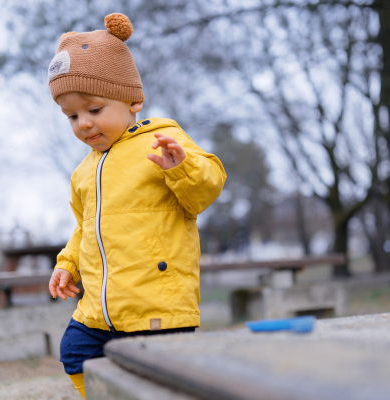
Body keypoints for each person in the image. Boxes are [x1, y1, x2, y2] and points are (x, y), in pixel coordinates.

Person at [46, 13, 226, 398]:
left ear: (133, 100)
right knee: (74, 351)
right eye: (72, 116)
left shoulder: (162, 140)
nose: (84, 124)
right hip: (99, 307)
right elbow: (84, 228)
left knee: (162, 377)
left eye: (94, 110)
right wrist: (67, 264)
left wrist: (181, 168)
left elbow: (205, 191)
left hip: (155, 303)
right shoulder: (84, 171)